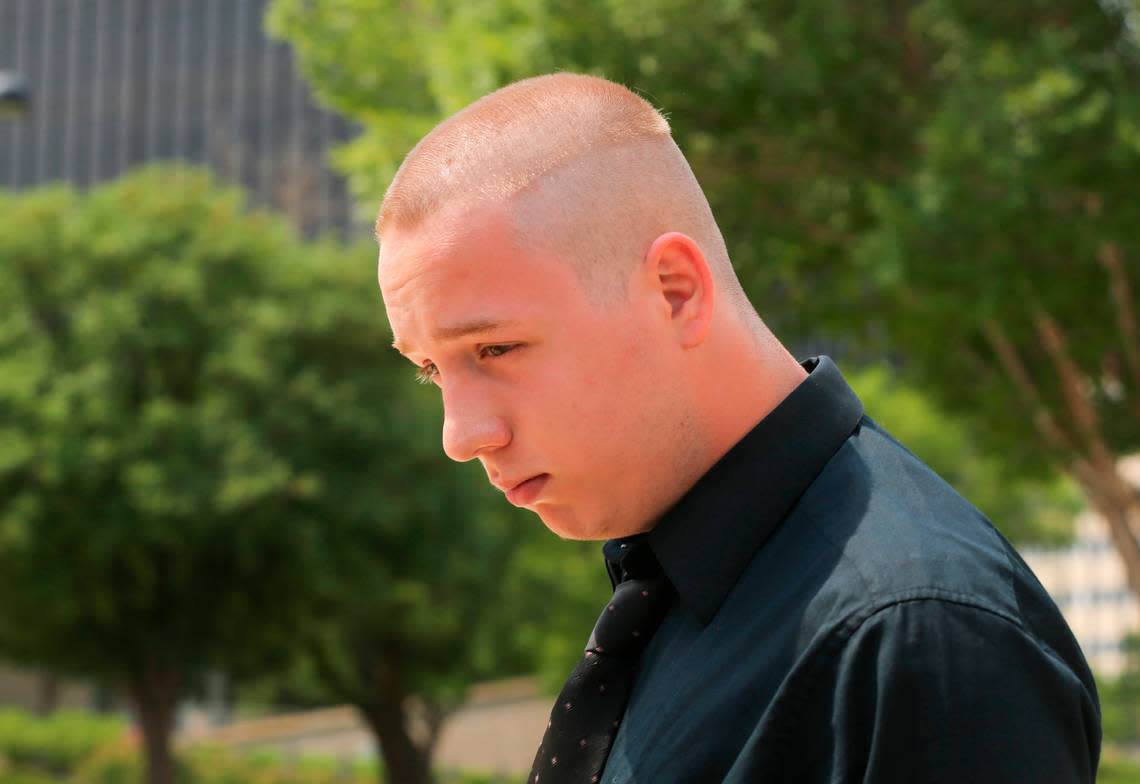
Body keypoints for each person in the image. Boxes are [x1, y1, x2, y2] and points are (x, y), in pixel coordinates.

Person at [376, 73, 1100, 783]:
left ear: (674, 291)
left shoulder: (912, 634)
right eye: (432, 371)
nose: (460, 435)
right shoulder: (680, 588)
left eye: (494, 349)